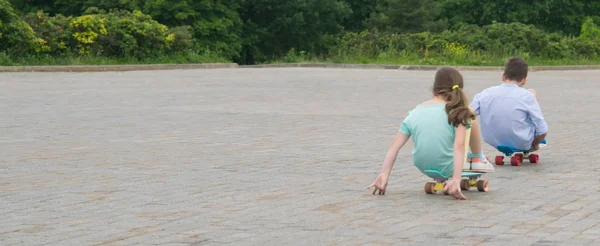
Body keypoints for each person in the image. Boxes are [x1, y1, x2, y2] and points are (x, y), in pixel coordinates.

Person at [367, 67, 494, 200]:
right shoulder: (459, 112)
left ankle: (454, 167)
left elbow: (394, 147)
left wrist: (384, 173)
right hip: (449, 166)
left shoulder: (415, 112)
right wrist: (456, 179)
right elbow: (459, 145)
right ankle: (477, 157)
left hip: (423, 165)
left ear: (433, 89)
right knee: (470, 117)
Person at [470, 56, 548, 152]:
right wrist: (535, 144)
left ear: (503, 76)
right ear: (524, 80)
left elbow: (469, 112)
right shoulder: (527, 96)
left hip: (493, 140)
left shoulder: (485, 93)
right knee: (532, 92)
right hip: (522, 142)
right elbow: (543, 130)